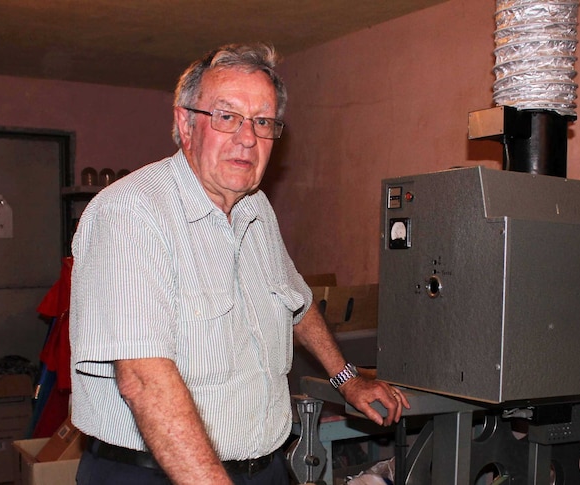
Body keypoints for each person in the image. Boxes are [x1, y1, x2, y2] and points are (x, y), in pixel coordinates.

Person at [69, 43, 410, 485]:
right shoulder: (132, 213)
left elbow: (298, 304)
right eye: (226, 116)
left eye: (262, 121)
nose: (247, 138)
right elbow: (144, 382)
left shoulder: (255, 207)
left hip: (262, 468)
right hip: (157, 474)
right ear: (185, 122)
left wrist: (347, 379)